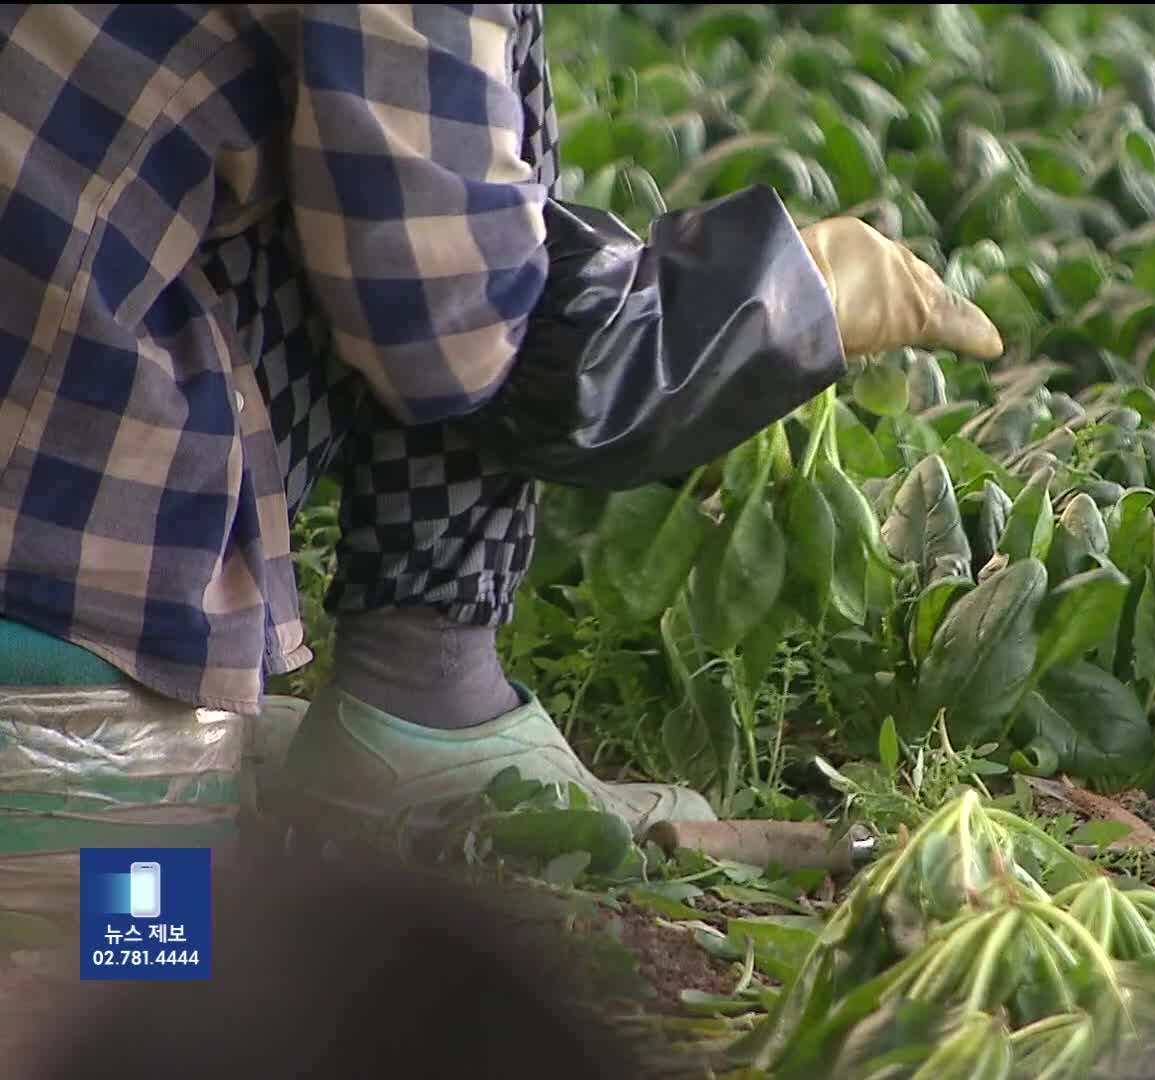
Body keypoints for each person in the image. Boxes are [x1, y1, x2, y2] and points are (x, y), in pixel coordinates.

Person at [0, 6, 1001, 839]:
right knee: (132, 978)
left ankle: (414, 695)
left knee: (379, 162)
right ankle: (363, 705)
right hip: (50, 546)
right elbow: (453, 328)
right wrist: (786, 298)